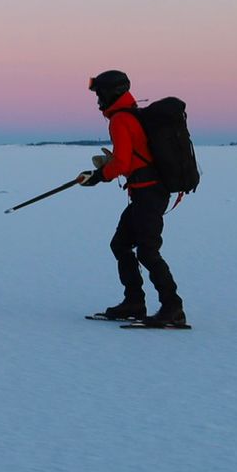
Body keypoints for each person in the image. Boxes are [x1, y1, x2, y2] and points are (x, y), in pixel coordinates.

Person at [77, 70, 186, 327]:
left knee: (148, 252)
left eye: (99, 94)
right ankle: (134, 302)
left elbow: (124, 162)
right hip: (145, 192)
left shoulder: (120, 120)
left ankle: (173, 308)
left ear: (111, 93)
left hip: (148, 192)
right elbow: (130, 157)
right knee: (121, 244)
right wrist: (103, 170)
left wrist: (99, 175)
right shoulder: (131, 115)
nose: (97, 100)